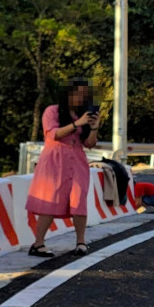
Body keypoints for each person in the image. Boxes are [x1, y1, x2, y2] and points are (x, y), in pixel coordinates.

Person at [25, 78, 100, 257]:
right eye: (77, 94)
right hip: (55, 162)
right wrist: (77, 123)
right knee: (51, 200)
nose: (80, 98)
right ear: (68, 94)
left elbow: (89, 143)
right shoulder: (52, 111)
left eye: (84, 95)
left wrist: (94, 127)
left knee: (79, 200)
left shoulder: (84, 115)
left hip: (77, 162)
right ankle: (38, 243)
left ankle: (81, 242)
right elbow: (53, 134)